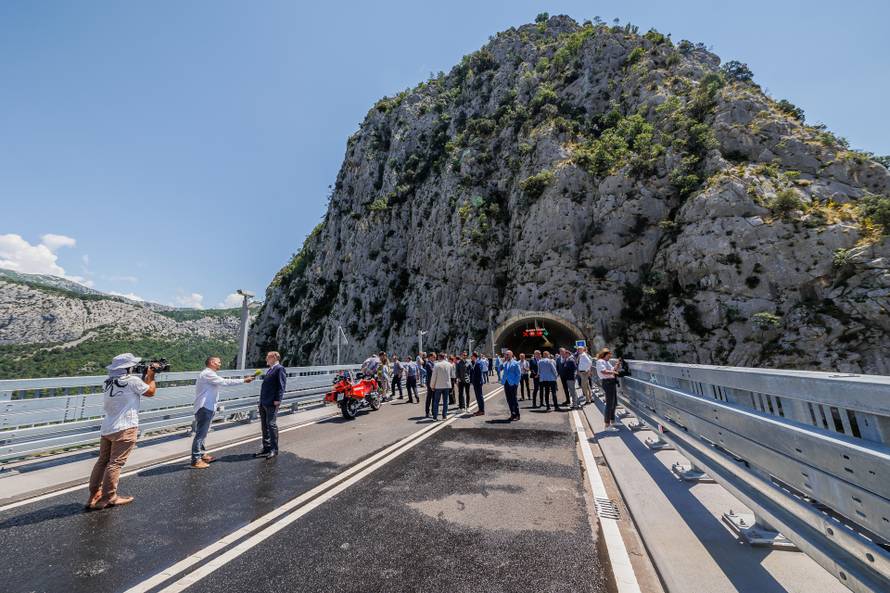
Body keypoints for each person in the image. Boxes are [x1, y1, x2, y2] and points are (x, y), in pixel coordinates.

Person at [86, 353, 158, 510]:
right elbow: (151, 392)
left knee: (102, 461)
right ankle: (109, 497)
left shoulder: (107, 382)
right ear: (129, 368)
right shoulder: (132, 381)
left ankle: (94, 495)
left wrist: (143, 375)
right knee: (115, 463)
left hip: (107, 427)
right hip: (125, 427)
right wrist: (151, 376)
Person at [191, 356, 254, 469]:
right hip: (204, 408)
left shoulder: (209, 374)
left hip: (208, 407)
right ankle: (195, 460)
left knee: (204, 433)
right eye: (218, 362)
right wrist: (243, 380)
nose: (220, 364)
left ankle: (201, 454)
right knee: (201, 434)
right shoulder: (207, 374)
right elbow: (224, 382)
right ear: (212, 362)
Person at [255, 351, 286, 458]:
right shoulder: (270, 369)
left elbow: (281, 385)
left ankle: (274, 449)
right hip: (263, 401)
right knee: (264, 426)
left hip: (272, 402)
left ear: (274, 357)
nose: (266, 359)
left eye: (268, 357)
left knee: (271, 425)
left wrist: (278, 399)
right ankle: (266, 447)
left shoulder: (279, 369)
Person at [597, 348, 621, 431]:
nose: (610, 357)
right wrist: (614, 372)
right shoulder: (600, 361)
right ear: (604, 355)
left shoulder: (606, 362)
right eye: (608, 356)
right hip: (607, 383)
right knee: (609, 404)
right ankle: (607, 425)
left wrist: (616, 366)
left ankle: (612, 421)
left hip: (611, 382)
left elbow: (612, 370)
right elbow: (603, 371)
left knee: (614, 403)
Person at [429, 352, 453, 421]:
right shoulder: (449, 365)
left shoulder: (436, 365)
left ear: (439, 357)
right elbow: (451, 375)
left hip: (438, 386)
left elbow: (434, 376)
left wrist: (432, 386)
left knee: (436, 401)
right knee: (445, 401)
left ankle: (435, 416)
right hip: (446, 385)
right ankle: (444, 416)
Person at [499, 350, 521, 421]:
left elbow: (518, 374)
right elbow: (499, 369)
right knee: (509, 399)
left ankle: (517, 415)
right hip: (506, 383)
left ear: (512, 355)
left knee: (514, 399)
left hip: (513, 383)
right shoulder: (505, 363)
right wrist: (502, 363)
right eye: (506, 355)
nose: (506, 356)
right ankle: (512, 414)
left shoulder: (516, 363)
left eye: (508, 354)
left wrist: (516, 383)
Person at [469, 352, 485, 416]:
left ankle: (482, 410)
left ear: (474, 357)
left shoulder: (478, 363)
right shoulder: (475, 363)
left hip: (478, 382)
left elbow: (479, 374)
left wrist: (477, 381)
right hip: (475, 382)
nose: (471, 357)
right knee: (478, 397)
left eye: (471, 356)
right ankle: (480, 409)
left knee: (479, 397)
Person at [423, 353, 436, 418]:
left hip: (433, 383)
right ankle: (427, 412)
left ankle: (433, 411)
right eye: (434, 357)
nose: (435, 358)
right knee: (429, 398)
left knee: (434, 398)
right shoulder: (428, 364)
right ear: (430, 357)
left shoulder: (433, 364)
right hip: (430, 383)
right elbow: (433, 372)